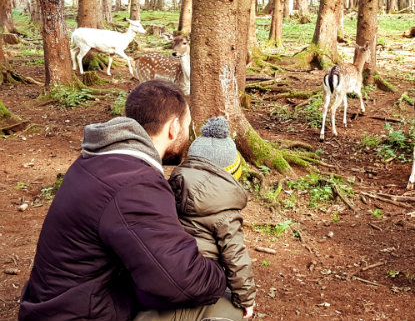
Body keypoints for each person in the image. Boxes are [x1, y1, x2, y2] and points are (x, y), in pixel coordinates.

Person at [18, 80, 243, 321]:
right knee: (226, 306)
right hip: (81, 314)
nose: (187, 136)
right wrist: (221, 273)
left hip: (60, 302)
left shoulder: (102, 158)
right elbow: (180, 280)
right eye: (188, 127)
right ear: (174, 127)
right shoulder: (135, 184)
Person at [168, 117, 256, 320]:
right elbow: (235, 257)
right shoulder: (225, 210)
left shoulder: (170, 189)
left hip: (164, 275)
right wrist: (246, 300)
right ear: (231, 174)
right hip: (202, 282)